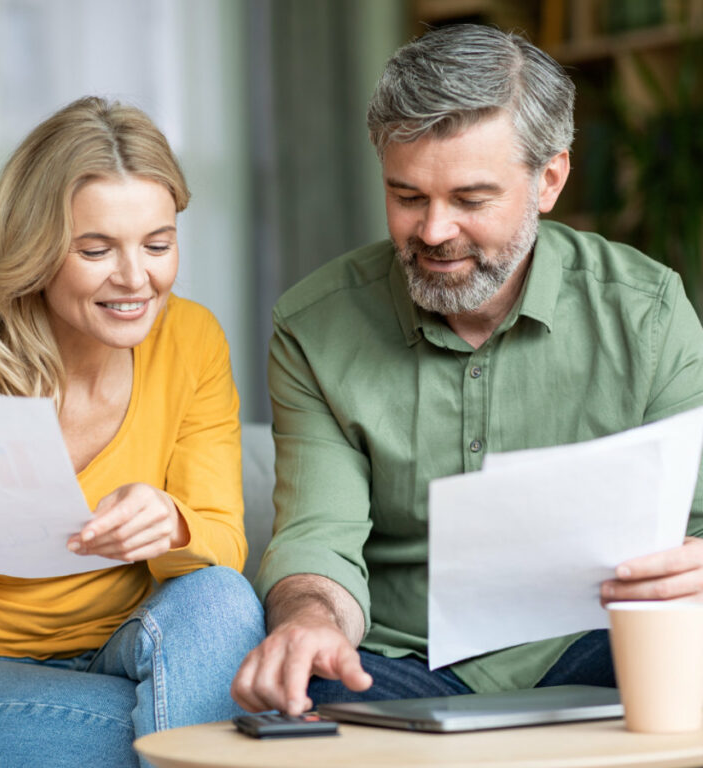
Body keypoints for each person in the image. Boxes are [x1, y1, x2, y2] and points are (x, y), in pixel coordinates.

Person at [231, 23, 703, 716]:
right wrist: (310, 621)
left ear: (549, 179)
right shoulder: (315, 328)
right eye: (408, 196)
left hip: (598, 642)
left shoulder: (648, 313)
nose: (433, 231)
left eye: (471, 200)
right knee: (313, 682)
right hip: (403, 660)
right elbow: (318, 540)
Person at [0, 96, 265, 768]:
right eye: (95, 249)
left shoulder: (192, 341)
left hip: (124, 646)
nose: (136, 278)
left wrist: (173, 524)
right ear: (38, 250)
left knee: (222, 595)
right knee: (203, 734)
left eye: (158, 244)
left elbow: (223, 545)